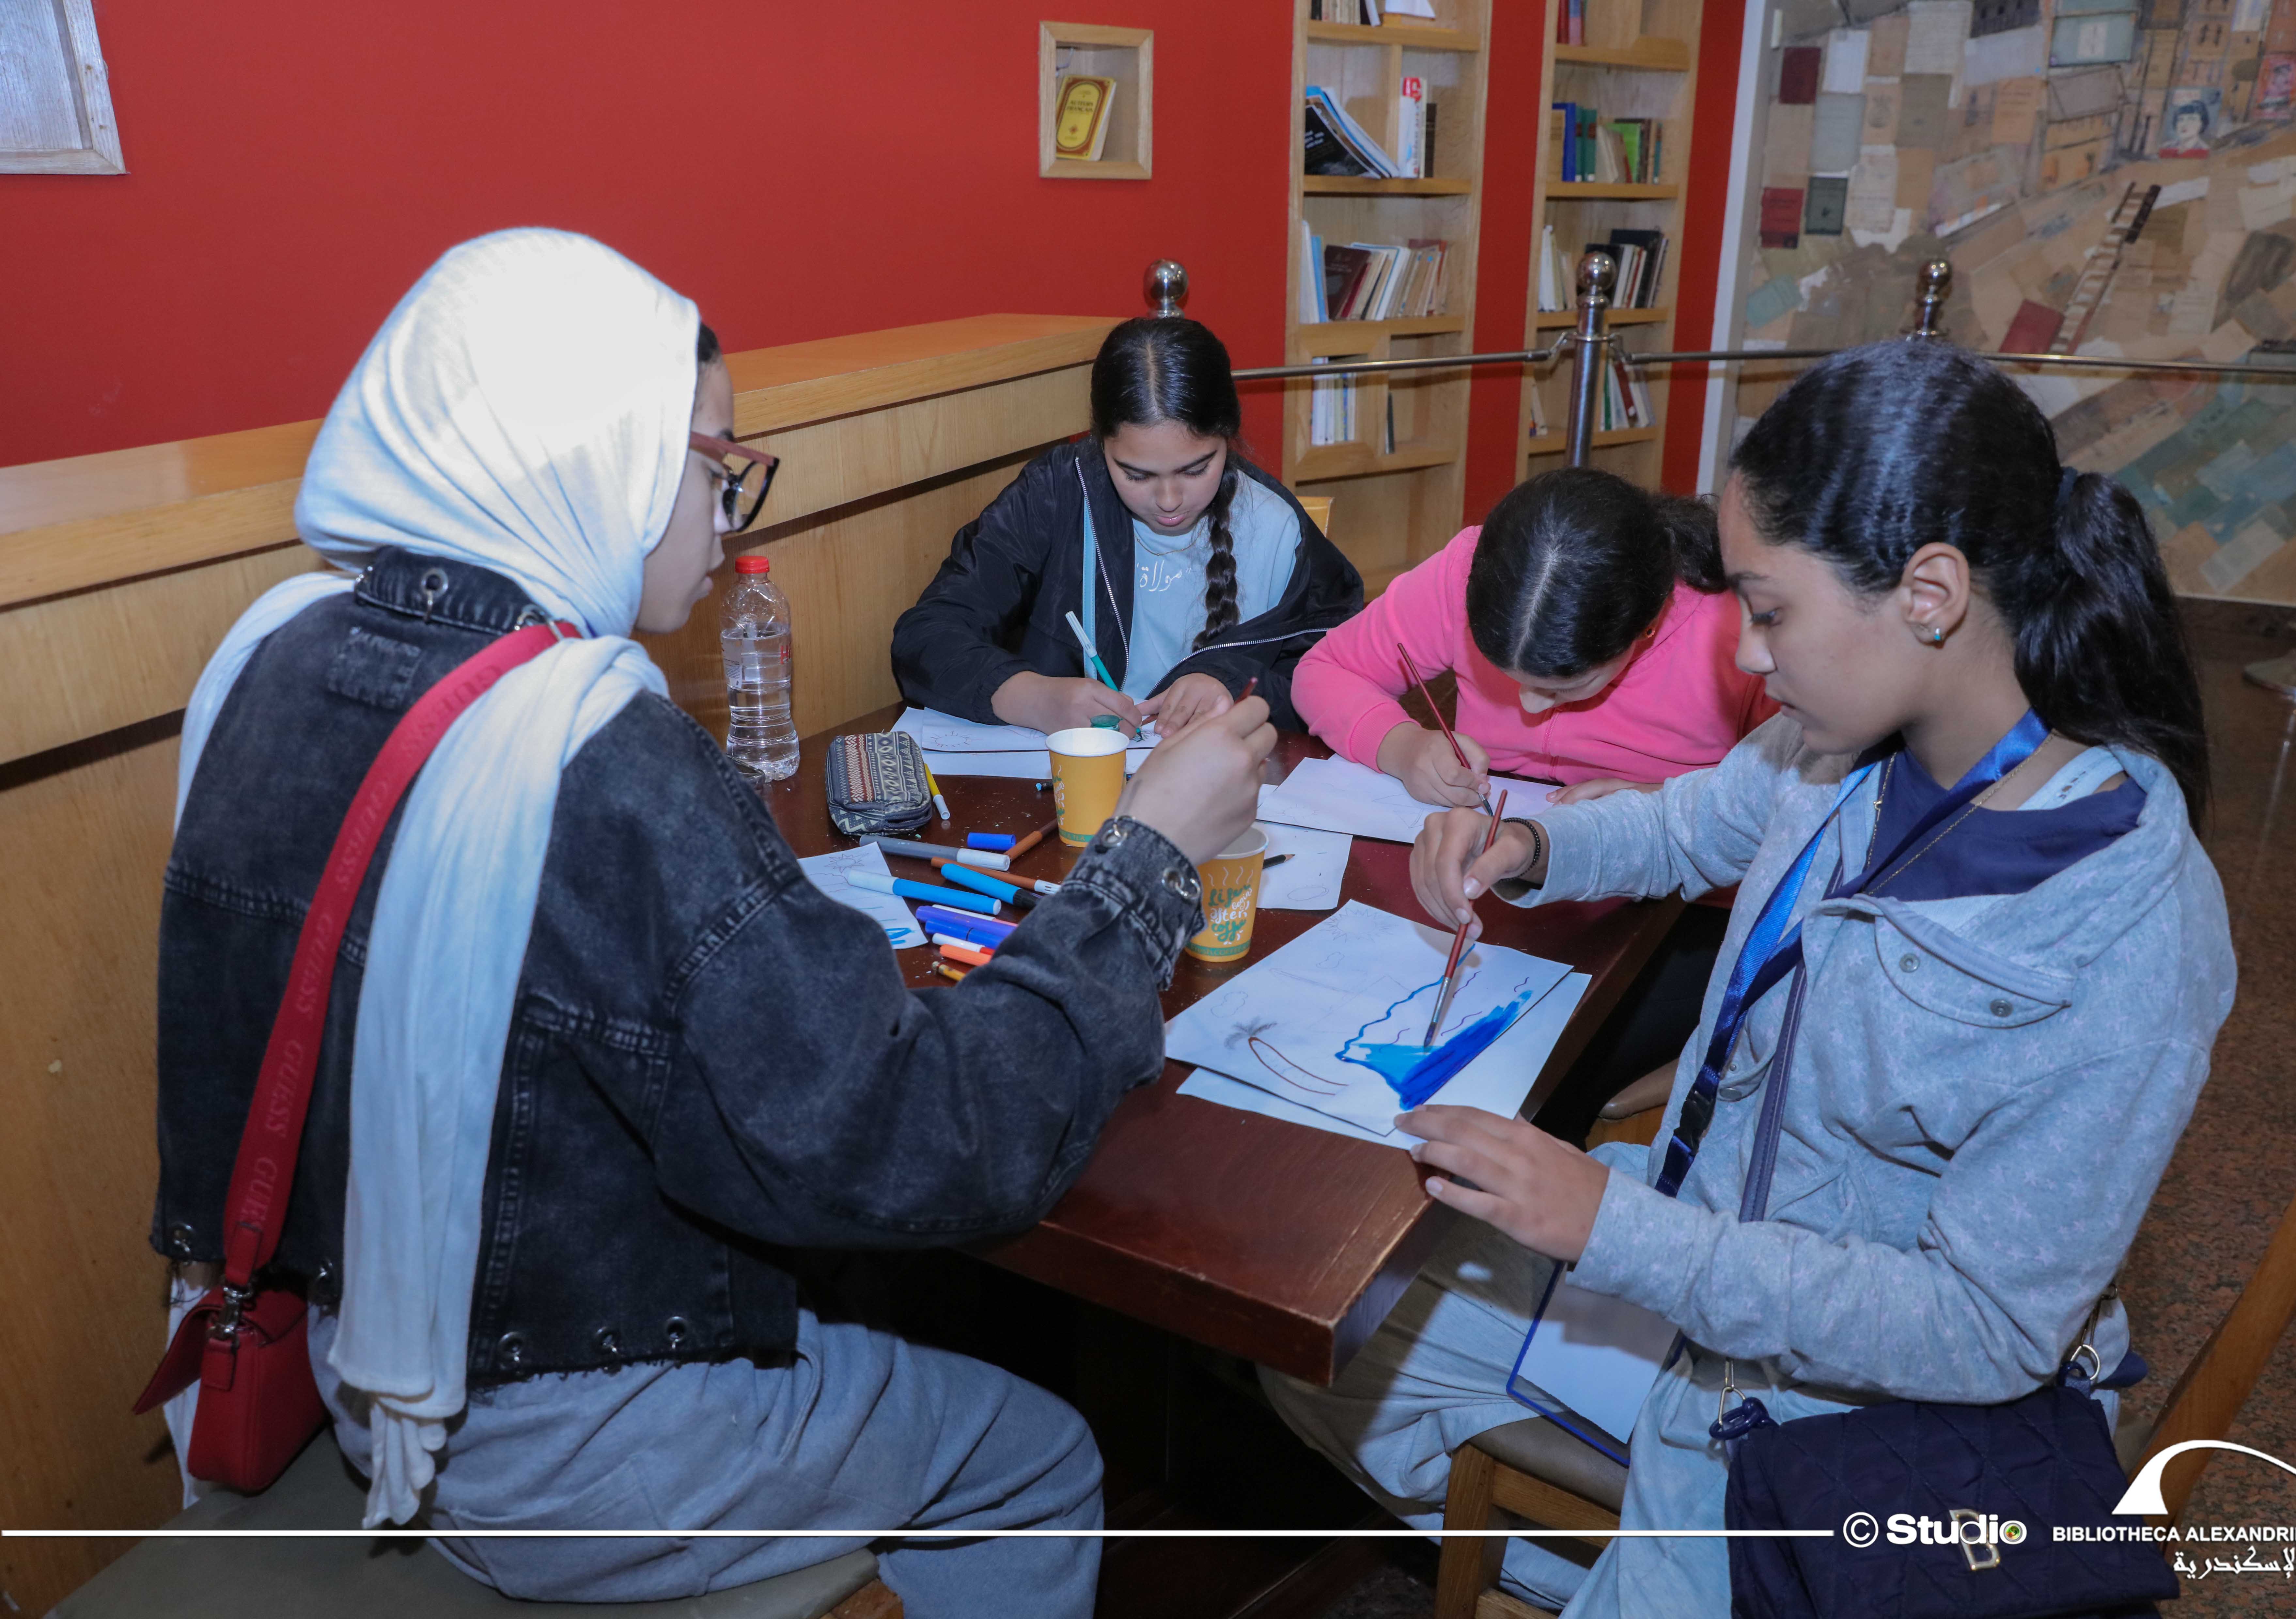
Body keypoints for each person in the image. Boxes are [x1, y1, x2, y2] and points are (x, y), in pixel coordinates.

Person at [152, 229, 1277, 1616]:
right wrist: (1148, 859)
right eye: (711, 465)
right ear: (604, 461)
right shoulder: (597, 756)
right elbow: (929, 1142)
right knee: (1038, 1455)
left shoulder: (277, 655)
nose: (727, 512)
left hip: (368, 1342)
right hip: (565, 1437)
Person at [1263, 339, 2236, 1613]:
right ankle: (1579, 1561)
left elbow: (1987, 1331)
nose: (1746, 656)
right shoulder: (1850, 743)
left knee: (1371, 1325)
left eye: (1768, 612)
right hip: (1709, 1259)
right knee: (1314, 1314)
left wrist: (1618, 1232)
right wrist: (1535, 846)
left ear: (1930, 594)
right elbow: (1692, 825)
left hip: (1834, 1420)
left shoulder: (2131, 925)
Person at [891, 315, 1362, 738]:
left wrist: (1234, 684)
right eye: (1136, 475)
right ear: (1101, 445)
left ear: (1228, 436)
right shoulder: (1058, 493)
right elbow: (927, 635)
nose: (1169, 501)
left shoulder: (1278, 528)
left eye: (1197, 469)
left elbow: (1346, 677)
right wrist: (1033, 698)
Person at [1292, 466, 1773, 810]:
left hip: (1674, 890)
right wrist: (1401, 746)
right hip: (1489, 832)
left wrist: (1670, 804)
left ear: (1647, 625)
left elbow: (1800, 794)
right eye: (1506, 675)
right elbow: (1325, 671)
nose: (1529, 705)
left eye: (1565, 687)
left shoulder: (1738, 629)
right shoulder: (1469, 570)